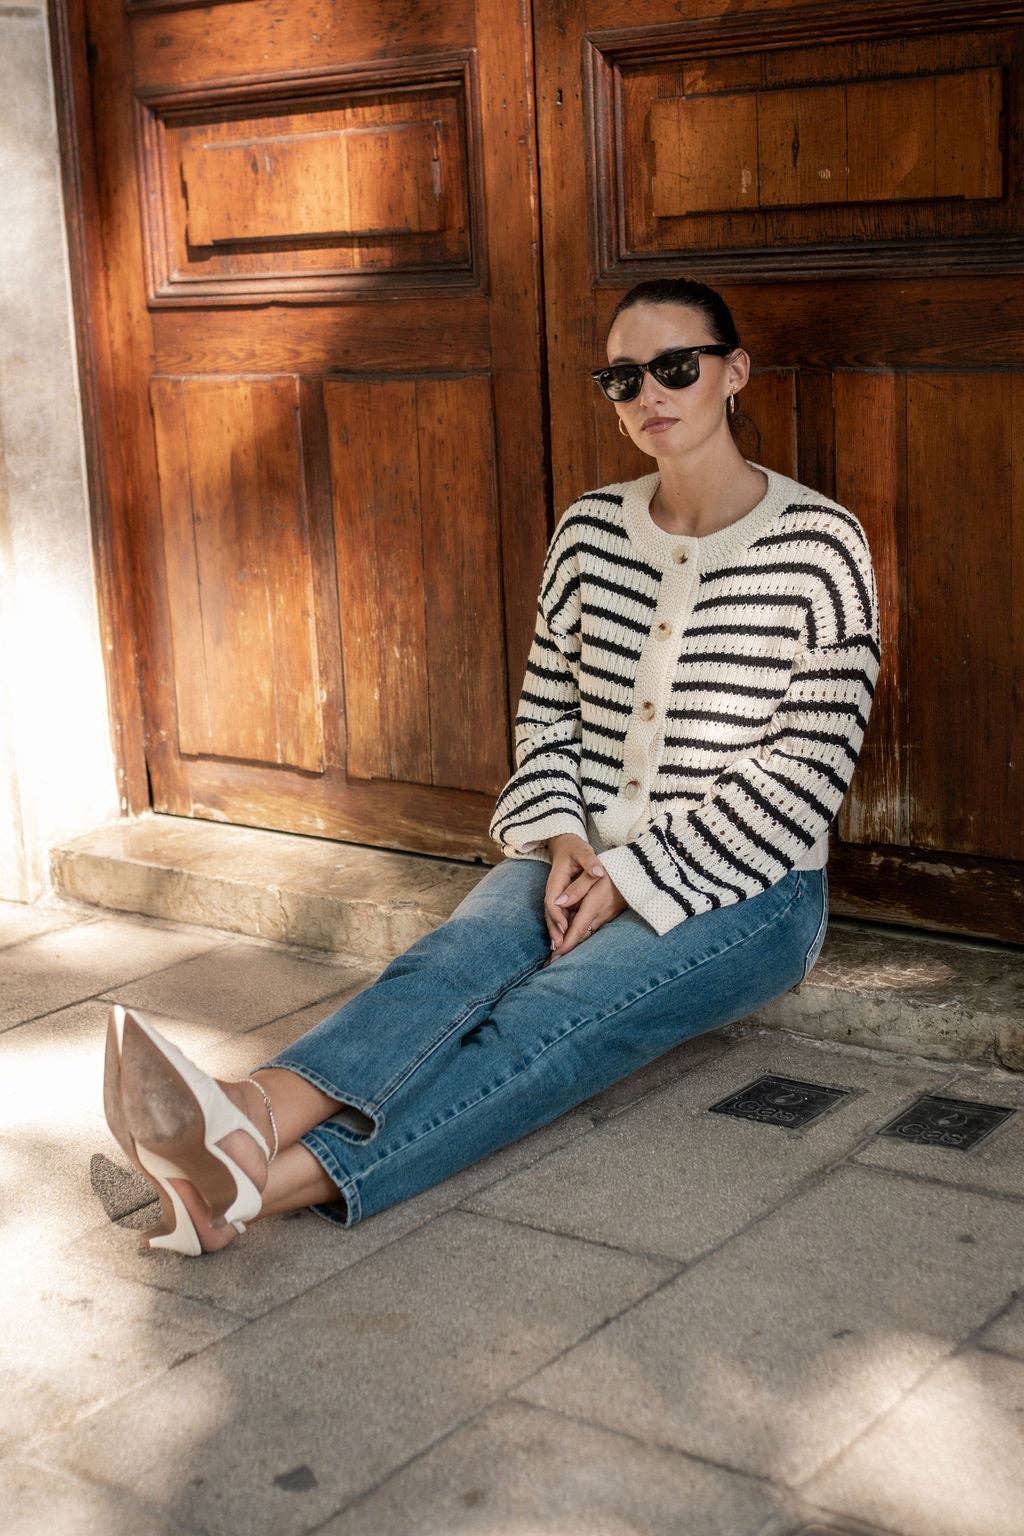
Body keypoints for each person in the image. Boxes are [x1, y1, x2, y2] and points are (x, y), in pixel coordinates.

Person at [104, 277, 881, 1255]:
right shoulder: (590, 531)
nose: (650, 393)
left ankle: (251, 1188)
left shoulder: (820, 545)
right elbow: (547, 713)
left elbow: (803, 773)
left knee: (551, 1018)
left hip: (752, 891)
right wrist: (562, 839)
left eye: (676, 367)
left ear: (734, 372)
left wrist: (631, 877)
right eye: (623, 377)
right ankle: (246, 1115)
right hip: (579, 847)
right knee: (451, 965)